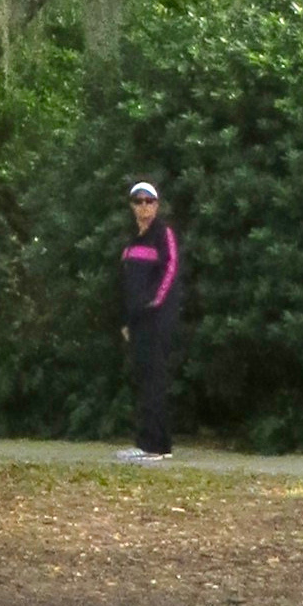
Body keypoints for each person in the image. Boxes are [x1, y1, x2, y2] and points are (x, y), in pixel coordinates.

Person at [117, 179, 182, 461]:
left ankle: (152, 445)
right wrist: (126, 320)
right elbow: (124, 284)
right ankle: (157, 444)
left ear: (156, 205)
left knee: (154, 378)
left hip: (156, 319)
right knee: (144, 378)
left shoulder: (163, 233)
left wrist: (154, 302)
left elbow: (171, 269)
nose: (144, 206)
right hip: (137, 322)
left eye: (149, 201)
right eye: (138, 201)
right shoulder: (132, 242)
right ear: (132, 206)